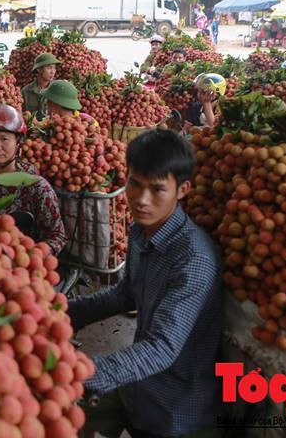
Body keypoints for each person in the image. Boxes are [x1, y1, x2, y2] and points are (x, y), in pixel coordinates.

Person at [69, 129, 222, 438]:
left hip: (175, 410)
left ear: (182, 190)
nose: (141, 200)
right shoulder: (142, 230)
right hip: (140, 388)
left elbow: (162, 348)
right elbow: (127, 294)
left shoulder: (193, 259)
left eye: (157, 189)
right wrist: (61, 313)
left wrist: (78, 374)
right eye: (134, 184)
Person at [0, 104, 66, 255]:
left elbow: (57, 236)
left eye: (5, 139)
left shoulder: (36, 187)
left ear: (18, 143)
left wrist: (36, 255)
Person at [21, 53, 60, 119]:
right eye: (49, 67)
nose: (53, 71)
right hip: (31, 128)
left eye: (54, 68)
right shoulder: (26, 91)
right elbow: (21, 114)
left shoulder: (57, 90)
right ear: (39, 69)